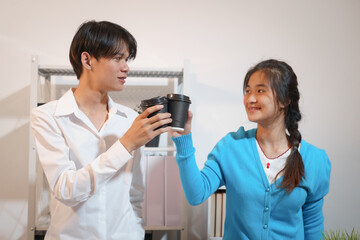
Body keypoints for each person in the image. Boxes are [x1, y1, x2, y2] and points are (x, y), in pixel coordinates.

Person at [31, 20, 172, 240]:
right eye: (117, 58)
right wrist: (125, 145)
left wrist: (136, 232)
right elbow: (66, 190)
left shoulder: (130, 119)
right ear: (87, 60)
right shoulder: (47, 116)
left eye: (127, 59)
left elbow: (135, 193)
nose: (126, 67)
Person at [171, 59, 331, 239]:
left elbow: (312, 225)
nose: (250, 98)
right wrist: (183, 139)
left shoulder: (315, 160)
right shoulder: (230, 148)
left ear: (285, 99)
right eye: (248, 91)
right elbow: (196, 194)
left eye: (260, 91)